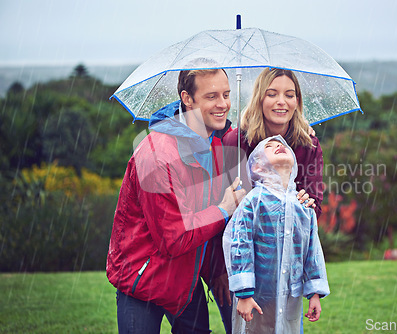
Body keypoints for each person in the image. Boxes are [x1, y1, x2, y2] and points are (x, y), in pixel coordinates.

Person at [106, 66, 246, 333]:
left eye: (226, 94)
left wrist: (216, 269)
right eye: (212, 96)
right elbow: (174, 237)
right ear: (187, 98)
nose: (223, 104)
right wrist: (225, 208)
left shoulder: (216, 146)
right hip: (144, 281)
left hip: (185, 281)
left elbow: (206, 222)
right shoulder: (157, 156)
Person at [223, 135, 330, 334]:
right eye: (269, 147)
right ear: (257, 168)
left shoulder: (303, 206)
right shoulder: (252, 202)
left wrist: (314, 292)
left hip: (291, 296)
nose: (278, 146)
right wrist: (244, 293)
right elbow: (239, 245)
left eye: (282, 145)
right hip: (258, 296)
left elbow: (312, 250)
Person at [223, 68, 324, 219]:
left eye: (289, 95)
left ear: (296, 102)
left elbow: (314, 209)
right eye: (271, 94)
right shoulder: (236, 142)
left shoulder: (309, 146)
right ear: (260, 98)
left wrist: (306, 204)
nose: (281, 102)